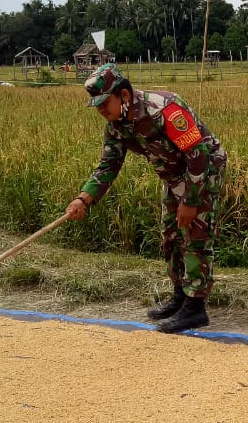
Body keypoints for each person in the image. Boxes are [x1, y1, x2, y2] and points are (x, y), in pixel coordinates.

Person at [64, 63, 228, 333]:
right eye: (96, 105)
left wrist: (190, 202)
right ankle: (180, 297)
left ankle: (195, 308)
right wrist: (84, 199)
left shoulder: (163, 108)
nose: (101, 110)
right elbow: (108, 166)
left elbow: (198, 155)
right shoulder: (116, 125)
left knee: (194, 235)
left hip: (203, 171)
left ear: (124, 95)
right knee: (170, 235)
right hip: (174, 176)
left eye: (105, 102)